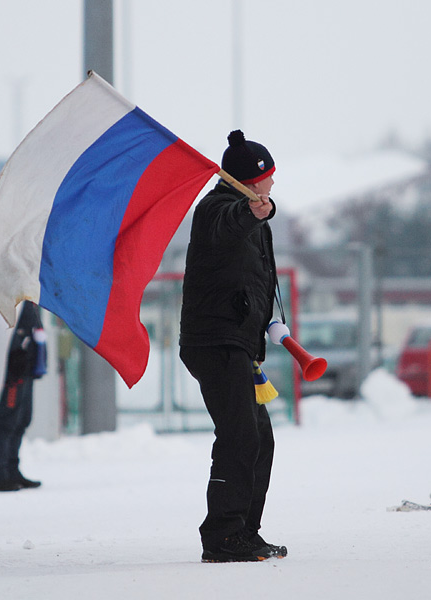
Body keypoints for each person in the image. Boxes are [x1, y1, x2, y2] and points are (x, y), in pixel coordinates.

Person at [179, 130, 287, 562]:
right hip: (214, 341)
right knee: (240, 436)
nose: (274, 183)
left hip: (237, 342)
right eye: (269, 176)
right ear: (248, 181)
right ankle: (222, 536)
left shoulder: (253, 213)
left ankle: (244, 529)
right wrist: (250, 211)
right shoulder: (215, 209)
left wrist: (262, 329)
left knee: (260, 437)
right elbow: (228, 224)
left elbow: (253, 279)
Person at [0, 301, 46, 492]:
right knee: (6, 420)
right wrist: (14, 353)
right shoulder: (4, 287)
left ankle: (11, 469)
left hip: (26, 367)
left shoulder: (28, 293)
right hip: (13, 370)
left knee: (22, 419)